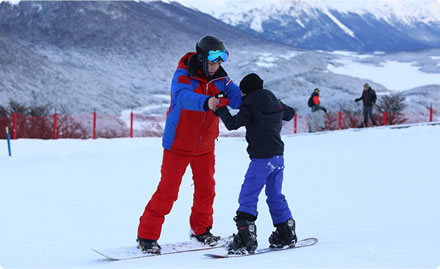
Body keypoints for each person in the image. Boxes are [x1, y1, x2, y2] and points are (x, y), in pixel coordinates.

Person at [136, 35, 242, 254]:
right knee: (168, 192)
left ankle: (201, 231)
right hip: (178, 144)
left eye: (221, 60)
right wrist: (207, 102)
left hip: (205, 147)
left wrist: (262, 99)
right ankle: (146, 237)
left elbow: (238, 97)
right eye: (213, 60)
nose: (216, 65)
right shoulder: (183, 74)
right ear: (202, 58)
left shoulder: (221, 79)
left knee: (206, 191)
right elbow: (183, 97)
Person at [214, 73, 297, 254]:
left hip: (261, 159)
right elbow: (290, 114)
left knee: (248, 195)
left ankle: (246, 238)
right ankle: (286, 231)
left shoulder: (250, 105)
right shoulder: (274, 101)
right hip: (278, 157)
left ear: (246, 91)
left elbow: (232, 124)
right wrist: (277, 105)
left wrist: (221, 108)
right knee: (275, 194)